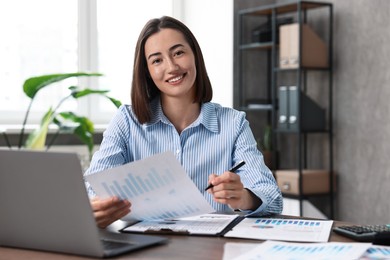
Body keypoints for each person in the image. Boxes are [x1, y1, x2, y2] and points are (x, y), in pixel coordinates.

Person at [85, 16, 283, 228]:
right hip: (143, 245)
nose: (171, 67)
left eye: (178, 53)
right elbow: (92, 188)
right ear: (148, 72)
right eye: (157, 60)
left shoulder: (233, 123)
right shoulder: (126, 121)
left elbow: (272, 198)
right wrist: (96, 206)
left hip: (211, 248)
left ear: (195, 56)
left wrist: (243, 197)